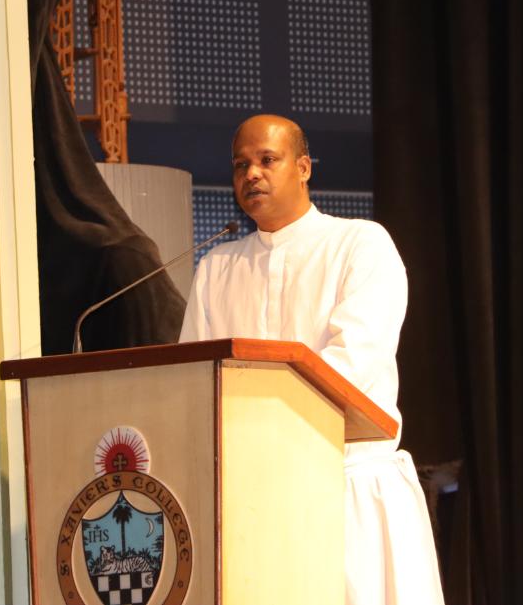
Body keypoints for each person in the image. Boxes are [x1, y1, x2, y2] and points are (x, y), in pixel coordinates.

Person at [179, 114, 445, 605]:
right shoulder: (216, 267)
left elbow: (353, 362)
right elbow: (195, 379)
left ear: (303, 168)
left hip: (344, 488)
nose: (251, 174)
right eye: (240, 165)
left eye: (267, 160)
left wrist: (257, 421)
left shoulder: (359, 244)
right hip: (252, 495)